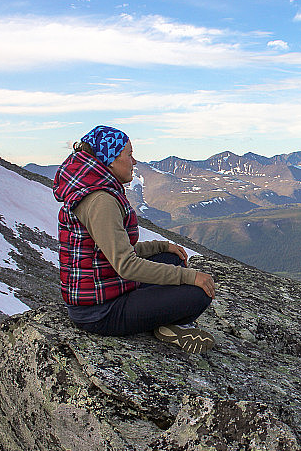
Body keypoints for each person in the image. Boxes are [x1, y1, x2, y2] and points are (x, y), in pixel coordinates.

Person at [53, 125, 216, 353]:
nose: (134, 161)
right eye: (128, 154)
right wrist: (190, 277)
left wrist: (161, 246)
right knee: (199, 292)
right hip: (100, 312)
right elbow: (126, 265)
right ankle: (170, 325)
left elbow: (107, 252)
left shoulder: (95, 190)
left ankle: (165, 321)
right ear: (110, 160)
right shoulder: (101, 200)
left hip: (103, 292)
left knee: (171, 258)